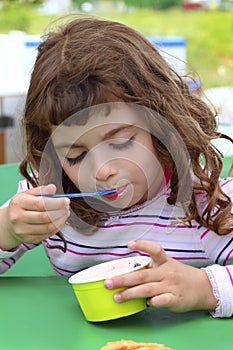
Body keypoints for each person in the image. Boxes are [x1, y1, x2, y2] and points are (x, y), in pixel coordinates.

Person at [0, 15, 232, 319]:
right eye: (75, 155)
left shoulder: (201, 204)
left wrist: (205, 287)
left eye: (121, 143)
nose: (101, 171)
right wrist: (7, 230)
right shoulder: (52, 202)